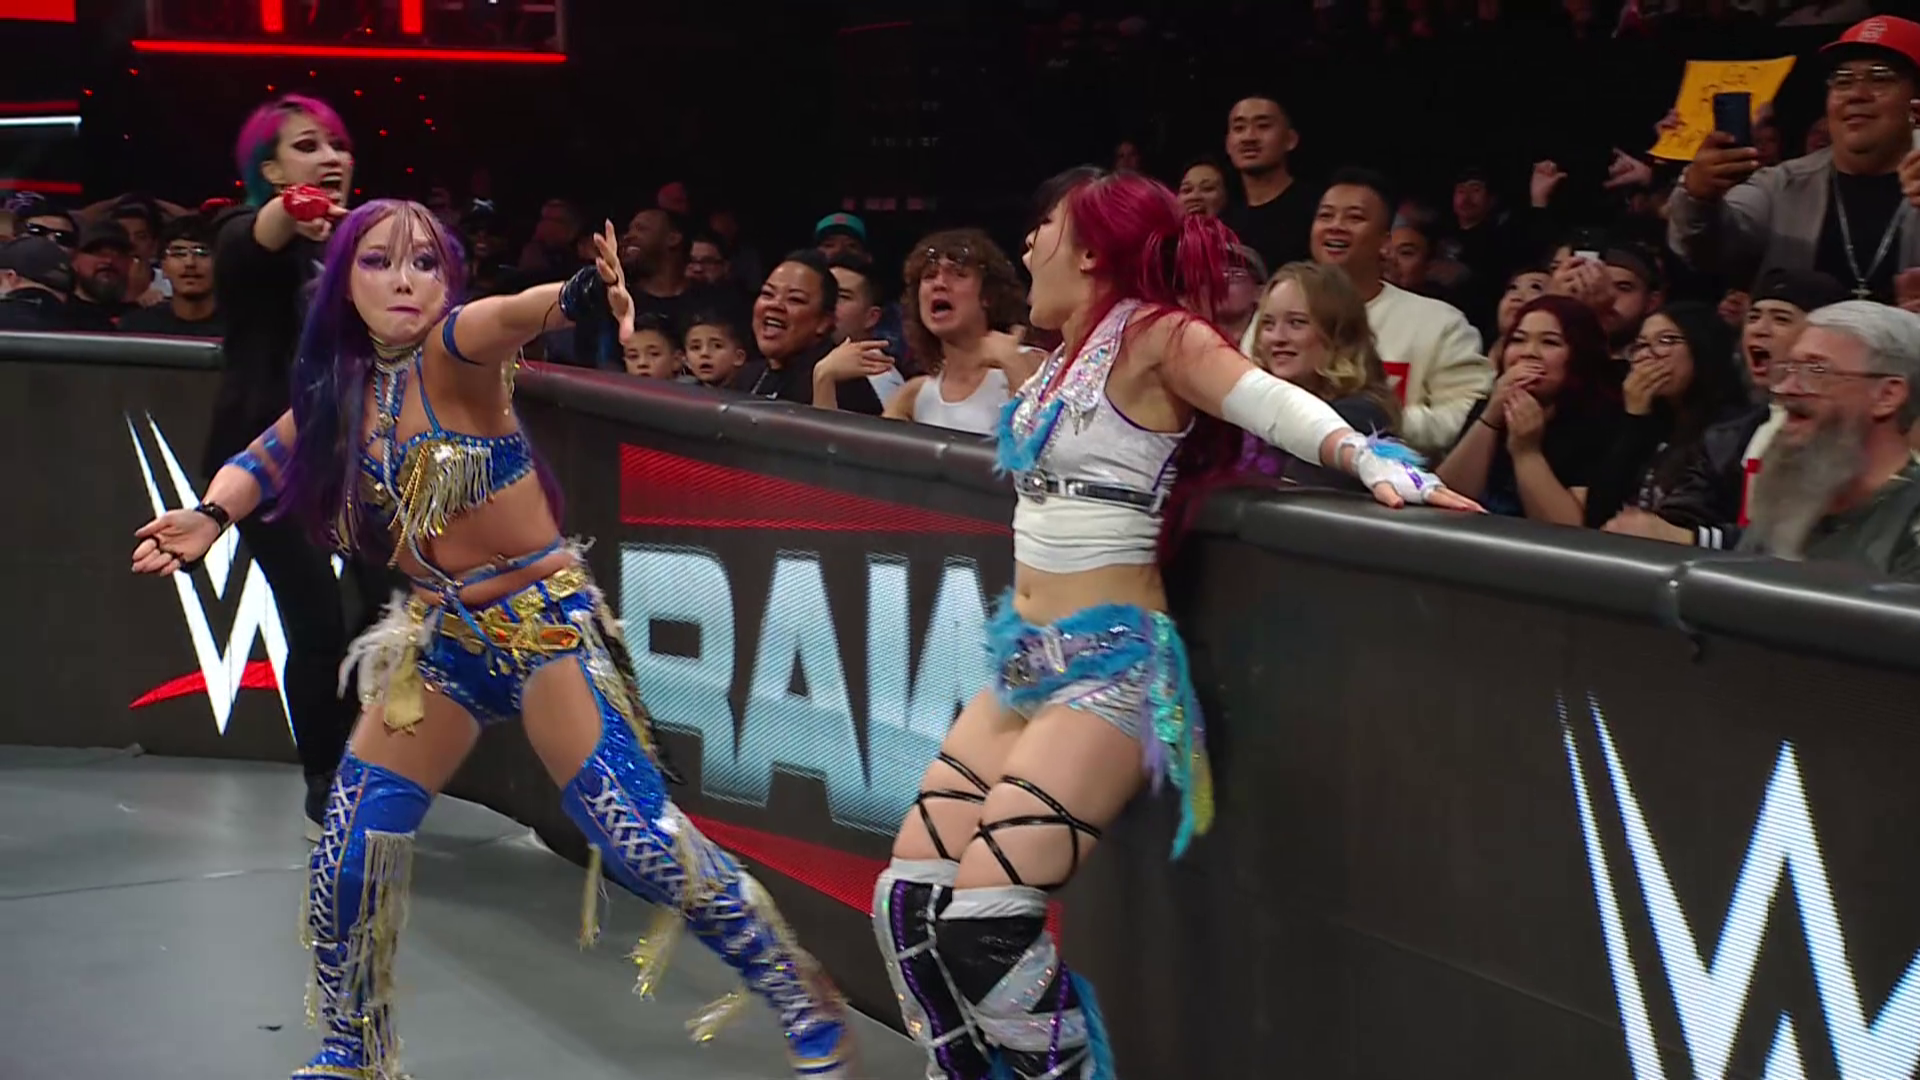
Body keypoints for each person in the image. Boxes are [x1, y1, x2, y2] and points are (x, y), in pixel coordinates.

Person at [130, 202, 856, 1079]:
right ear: (343, 283)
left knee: (636, 838)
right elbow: (265, 457)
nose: (404, 281)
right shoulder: (343, 386)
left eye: (425, 264)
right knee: (352, 847)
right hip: (441, 639)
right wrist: (211, 515)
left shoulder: (455, 349)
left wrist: (580, 292)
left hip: (542, 629)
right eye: (378, 262)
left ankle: (794, 986)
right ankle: (354, 1049)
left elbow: (514, 314)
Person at [869, 168, 1477, 1080]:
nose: (1028, 244)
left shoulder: (1158, 336)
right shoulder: (1061, 356)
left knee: (984, 928)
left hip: (1109, 668)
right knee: (908, 910)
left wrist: (1370, 458)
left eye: (1046, 228)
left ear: (1091, 252)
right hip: (1024, 663)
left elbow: (1267, 400)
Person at [202, 94, 391, 842]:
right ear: (271, 168)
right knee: (315, 619)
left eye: (338, 145)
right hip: (262, 460)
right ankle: (328, 782)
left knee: (390, 608)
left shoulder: (357, 247)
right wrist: (300, 207)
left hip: (350, 455)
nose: (331, 157)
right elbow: (265, 231)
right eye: (308, 146)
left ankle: (373, 762)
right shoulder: (243, 234)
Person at [1668, 15, 1920, 300]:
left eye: (1880, 78)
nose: (1856, 94)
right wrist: (1697, 196)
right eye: (1843, 80)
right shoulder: (1781, 185)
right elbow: (1704, 253)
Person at [1740, 300, 1920, 576]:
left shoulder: (1910, 524)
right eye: (1788, 369)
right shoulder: (1786, 497)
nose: (1785, 388)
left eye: (1816, 371)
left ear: (1887, 395)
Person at [816, 228, 1038, 434]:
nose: (939, 284)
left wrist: (1013, 363)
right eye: (929, 276)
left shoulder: (1035, 364)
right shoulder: (913, 396)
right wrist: (824, 378)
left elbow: (1046, 448)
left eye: (958, 274)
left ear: (988, 295)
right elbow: (848, 461)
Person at [1436, 295, 1623, 523]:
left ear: (1580, 354)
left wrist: (1526, 452)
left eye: (1550, 342)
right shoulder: (1492, 403)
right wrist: (1490, 418)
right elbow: (1445, 501)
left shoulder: (1602, 419)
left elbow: (1570, 530)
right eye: (1518, 340)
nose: (1528, 352)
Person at [1584, 302, 1752, 529]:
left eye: (1666, 340)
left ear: (1702, 347)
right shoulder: (1644, 421)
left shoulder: (1732, 430)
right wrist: (1634, 418)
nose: (1647, 355)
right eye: (1641, 345)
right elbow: (1597, 515)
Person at [1240, 261, 1401, 489]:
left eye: (1296, 323)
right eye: (1268, 324)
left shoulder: (1359, 416)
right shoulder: (1252, 407)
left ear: (1338, 334)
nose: (1277, 337)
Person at [744, 250, 884, 413]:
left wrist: (824, 381)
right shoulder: (746, 376)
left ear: (824, 322)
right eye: (767, 294)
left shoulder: (844, 384)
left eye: (795, 299)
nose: (775, 305)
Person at [1218, 95, 1316, 270]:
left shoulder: (1317, 209)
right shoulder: (1222, 222)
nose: (1249, 137)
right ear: (1227, 144)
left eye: (1263, 126)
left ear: (1290, 139)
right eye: (1239, 128)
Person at [119, 214, 226, 337]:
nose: (190, 263)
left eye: (202, 253)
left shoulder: (239, 328)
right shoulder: (137, 327)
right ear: (163, 266)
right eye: (178, 253)